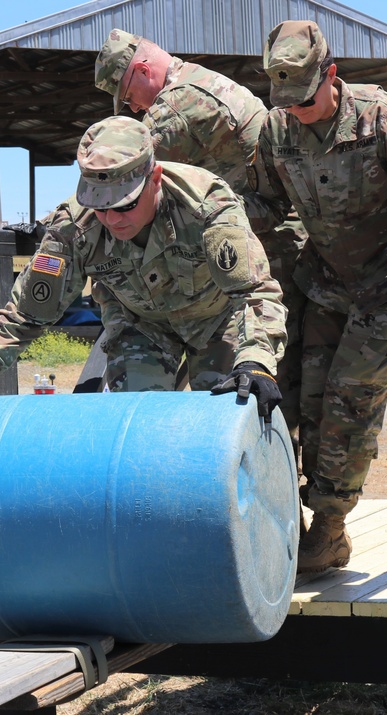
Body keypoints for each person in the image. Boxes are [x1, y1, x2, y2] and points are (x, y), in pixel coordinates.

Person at [248, 20, 387, 572]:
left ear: (333, 76)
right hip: (327, 281)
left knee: (350, 397)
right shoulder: (278, 130)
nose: (297, 111)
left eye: (306, 98)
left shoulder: (381, 115)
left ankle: (328, 528)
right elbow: (264, 204)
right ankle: (294, 522)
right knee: (301, 396)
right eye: (287, 102)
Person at [0, 115, 287, 418]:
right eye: (100, 205)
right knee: (138, 424)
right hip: (139, 325)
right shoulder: (73, 228)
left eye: (124, 204)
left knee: (231, 416)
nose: (111, 218)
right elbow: (26, 315)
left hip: (216, 321)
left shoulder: (207, 204)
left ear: (154, 179)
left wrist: (255, 360)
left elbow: (254, 292)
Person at [93, 28, 307, 454]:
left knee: (247, 388)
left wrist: (75, 215)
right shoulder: (201, 81)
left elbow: (118, 175)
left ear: (142, 69)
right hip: (272, 238)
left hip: (261, 247)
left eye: (128, 93)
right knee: (273, 387)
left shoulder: (177, 104)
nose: (133, 107)